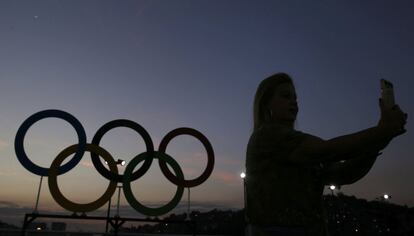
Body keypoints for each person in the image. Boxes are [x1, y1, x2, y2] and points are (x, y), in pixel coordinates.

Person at [245, 73, 407, 236]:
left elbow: (344, 174)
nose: (294, 102)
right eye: (286, 96)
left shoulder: (298, 146)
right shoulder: (266, 136)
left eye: (295, 98)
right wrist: (381, 132)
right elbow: (327, 150)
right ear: (266, 104)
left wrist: (381, 138)